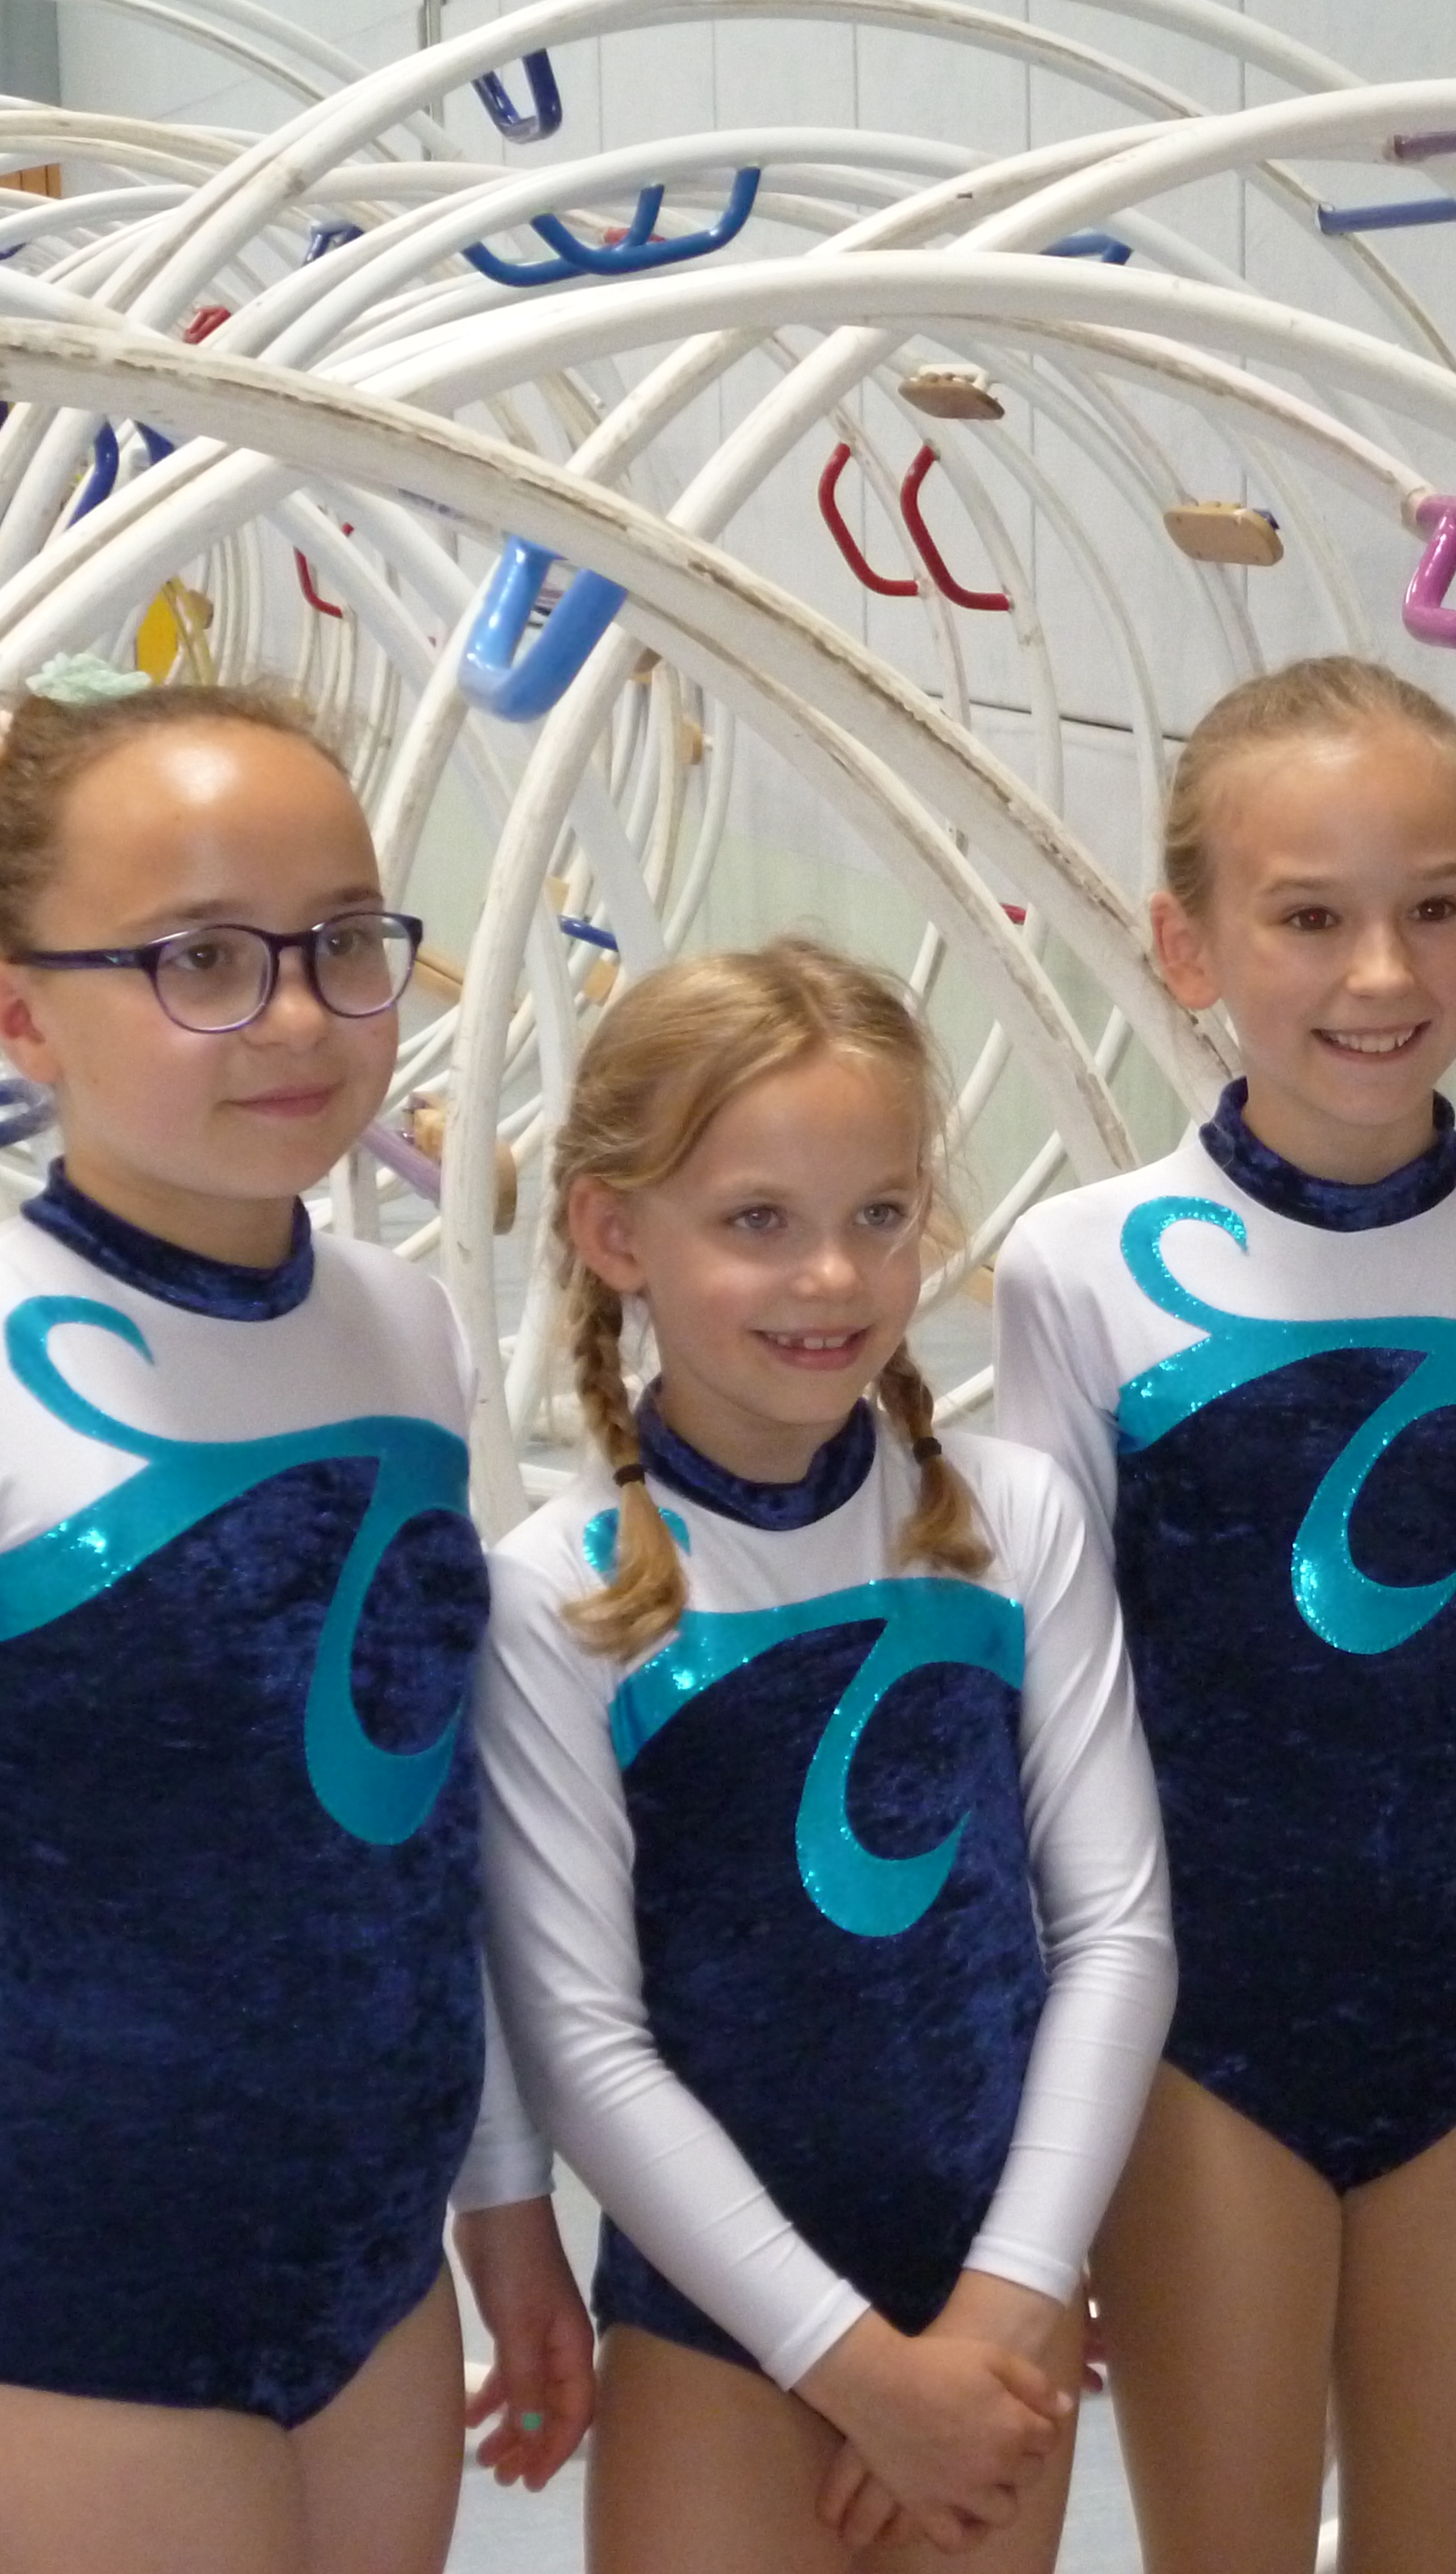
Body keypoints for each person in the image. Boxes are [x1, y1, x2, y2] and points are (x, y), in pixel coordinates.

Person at [0, 668, 593, 2574]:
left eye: (340, 943)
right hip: (60, 2320)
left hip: (372, 2289)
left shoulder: (404, 1329)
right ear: (19, 1011)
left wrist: (508, 2207)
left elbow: (431, 1841)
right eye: (198, 961)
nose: (295, 1017)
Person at [993, 656, 1456, 2574]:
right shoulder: (1083, 1273)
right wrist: (1039, 2123)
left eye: (1433, 908)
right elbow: (1051, 1726)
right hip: (1194, 2036)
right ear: (1188, 943)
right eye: (1308, 918)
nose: (1382, 973)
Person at [474, 940, 1174, 2574]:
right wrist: (857, 2372)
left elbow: (1118, 1932)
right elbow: (583, 2039)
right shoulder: (562, 1594)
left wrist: (1009, 2295)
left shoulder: (1011, 1524)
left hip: (990, 2299)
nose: (835, 1278)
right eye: (757, 1223)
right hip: (724, 2325)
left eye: (880, 1214)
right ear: (615, 1235)